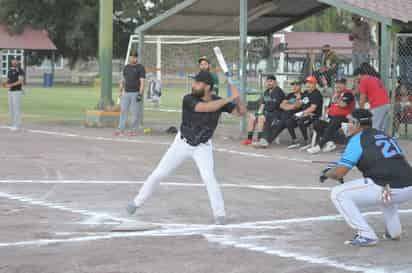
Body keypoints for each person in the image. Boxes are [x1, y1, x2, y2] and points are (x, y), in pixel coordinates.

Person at [126, 71, 247, 225]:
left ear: (208, 87)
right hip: (181, 144)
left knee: (209, 178)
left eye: (198, 83)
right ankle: (136, 202)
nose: (194, 85)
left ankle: (220, 215)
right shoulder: (189, 99)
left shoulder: (219, 101)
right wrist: (230, 98)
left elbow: (241, 112)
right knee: (159, 174)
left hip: (203, 146)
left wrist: (238, 98)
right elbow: (205, 108)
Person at [321, 109, 412, 247]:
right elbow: (399, 159)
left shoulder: (357, 139)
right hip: (407, 185)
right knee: (386, 194)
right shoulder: (384, 135)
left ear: (357, 124)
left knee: (338, 193)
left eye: (350, 121)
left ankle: (366, 235)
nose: (346, 124)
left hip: (388, 187)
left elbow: (339, 173)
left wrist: (327, 172)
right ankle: (394, 232)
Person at [308, 78, 355, 154]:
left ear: (345, 85)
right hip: (332, 118)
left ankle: (320, 145)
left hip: (344, 118)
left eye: (340, 83)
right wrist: (325, 115)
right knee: (317, 123)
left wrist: (336, 98)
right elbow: (330, 108)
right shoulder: (335, 94)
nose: (338, 85)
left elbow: (343, 105)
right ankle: (330, 142)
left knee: (335, 121)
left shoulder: (348, 94)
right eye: (337, 83)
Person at [242, 75, 284, 147]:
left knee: (261, 118)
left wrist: (262, 114)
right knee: (252, 117)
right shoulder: (266, 92)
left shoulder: (278, 91)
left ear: (275, 82)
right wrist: (259, 113)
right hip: (266, 113)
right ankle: (249, 139)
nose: (269, 83)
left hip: (275, 114)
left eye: (271, 81)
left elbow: (274, 107)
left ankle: (259, 140)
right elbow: (263, 104)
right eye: (267, 81)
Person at [259, 80, 304, 148]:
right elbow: (281, 105)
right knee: (274, 119)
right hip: (286, 115)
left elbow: (297, 106)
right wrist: (290, 106)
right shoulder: (290, 95)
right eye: (293, 85)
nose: (294, 87)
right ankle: (264, 140)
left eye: (296, 85)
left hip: (296, 116)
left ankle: (266, 140)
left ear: (300, 86)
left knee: (281, 122)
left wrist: (288, 105)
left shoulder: (303, 96)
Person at [115, 52, 146, 137]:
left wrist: (140, 94)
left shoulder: (140, 68)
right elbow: (123, 80)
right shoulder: (126, 67)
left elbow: (142, 82)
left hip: (136, 93)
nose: (131, 59)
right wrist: (120, 90)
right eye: (130, 57)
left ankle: (133, 130)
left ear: (136, 58)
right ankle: (120, 129)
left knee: (134, 113)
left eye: (133, 57)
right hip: (126, 93)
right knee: (123, 111)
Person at [288, 76, 323, 149]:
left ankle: (307, 140)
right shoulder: (306, 92)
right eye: (307, 83)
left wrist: (302, 113)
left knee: (301, 122)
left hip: (314, 115)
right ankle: (295, 140)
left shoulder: (316, 94)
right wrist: (296, 101)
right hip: (305, 113)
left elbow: (313, 108)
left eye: (310, 83)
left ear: (315, 84)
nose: (308, 85)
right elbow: (301, 103)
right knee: (289, 121)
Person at [355, 63, 390, 133]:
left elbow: (362, 98)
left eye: (356, 77)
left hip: (378, 105)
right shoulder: (374, 78)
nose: (356, 79)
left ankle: (373, 142)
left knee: (374, 127)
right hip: (387, 104)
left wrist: (360, 111)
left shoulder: (363, 80)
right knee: (382, 129)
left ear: (359, 75)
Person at [1, 58, 24, 131]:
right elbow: (8, 79)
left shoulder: (20, 70)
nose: (14, 62)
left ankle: (17, 125)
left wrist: (10, 85)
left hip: (17, 91)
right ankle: (13, 123)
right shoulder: (10, 70)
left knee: (16, 108)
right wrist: (4, 83)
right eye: (12, 61)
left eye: (15, 61)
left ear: (18, 62)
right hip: (10, 91)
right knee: (11, 108)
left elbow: (20, 81)